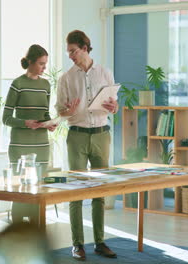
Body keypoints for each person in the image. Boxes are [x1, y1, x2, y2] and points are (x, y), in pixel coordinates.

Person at [55, 30, 118, 261]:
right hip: (77, 136)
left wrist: (114, 107)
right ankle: (77, 244)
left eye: (73, 50)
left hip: (101, 134)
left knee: (100, 190)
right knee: (77, 190)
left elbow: (114, 104)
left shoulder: (105, 72)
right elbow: (59, 110)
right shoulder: (66, 78)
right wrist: (67, 111)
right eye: (68, 52)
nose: (70, 55)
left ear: (84, 47)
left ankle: (100, 242)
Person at [2, 44, 56, 224]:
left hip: (41, 145)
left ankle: (36, 230)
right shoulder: (18, 84)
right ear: (30, 62)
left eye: (45, 64)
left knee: (38, 189)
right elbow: (6, 118)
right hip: (20, 146)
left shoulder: (46, 85)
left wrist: (49, 124)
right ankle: (17, 229)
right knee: (20, 190)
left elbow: (44, 113)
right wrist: (25, 123)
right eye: (41, 63)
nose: (44, 68)